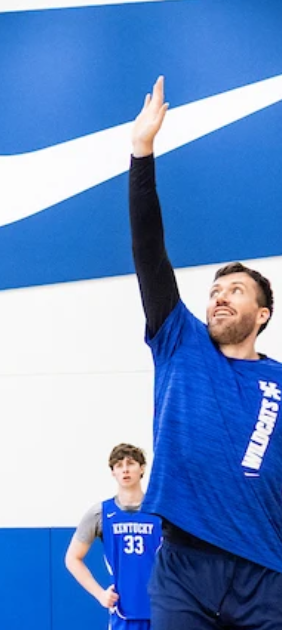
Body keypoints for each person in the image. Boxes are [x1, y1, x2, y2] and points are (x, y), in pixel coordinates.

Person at [128, 76, 282, 629]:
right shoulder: (180, 340)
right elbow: (149, 252)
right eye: (215, 290)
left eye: (235, 290)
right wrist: (142, 153)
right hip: (183, 568)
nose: (219, 295)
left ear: (261, 314)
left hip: (266, 572)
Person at [66, 443, 162, 630]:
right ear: (113, 472)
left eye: (130, 463)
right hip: (123, 610)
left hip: (160, 608)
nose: (125, 469)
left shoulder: (159, 511)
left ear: (142, 468)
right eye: (119, 465)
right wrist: (100, 594)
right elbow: (72, 558)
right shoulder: (100, 513)